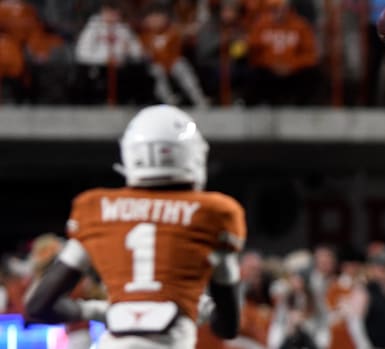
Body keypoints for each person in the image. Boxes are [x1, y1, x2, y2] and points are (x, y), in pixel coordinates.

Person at [24, 104, 246, 349]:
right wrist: (193, 308)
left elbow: (39, 306)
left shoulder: (96, 209)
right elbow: (227, 326)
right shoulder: (215, 212)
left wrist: (104, 311)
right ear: (192, 154)